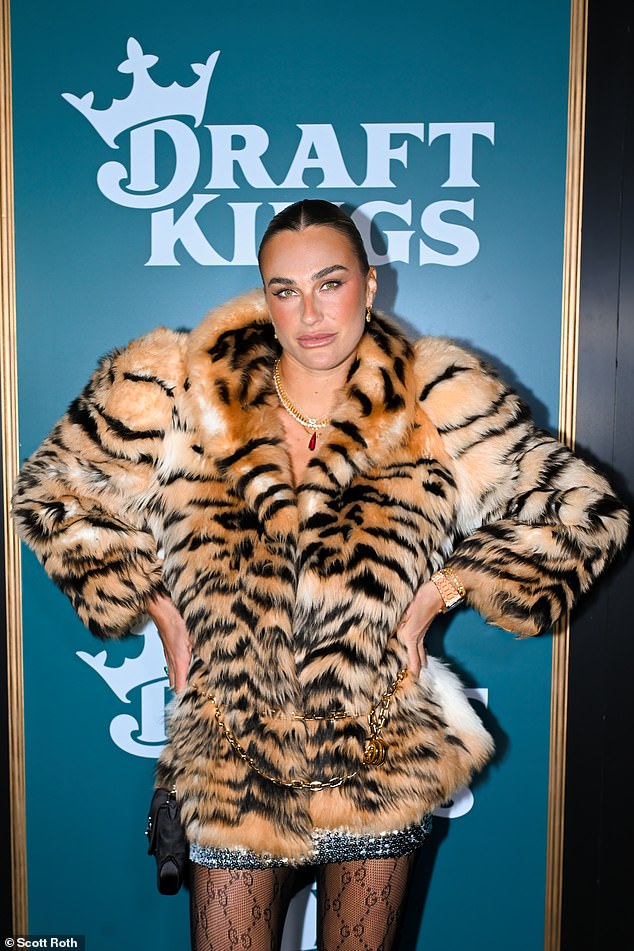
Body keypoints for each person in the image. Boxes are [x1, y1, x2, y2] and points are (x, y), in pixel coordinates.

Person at [13, 199, 628, 951]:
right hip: (232, 761)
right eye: (286, 289)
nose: (309, 313)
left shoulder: (436, 396)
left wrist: (437, 596)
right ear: (265, 296)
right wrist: (162, 611)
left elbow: (583, 515)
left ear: (369, 286)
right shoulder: (178, 388)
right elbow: (54, 498)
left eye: (330, 283)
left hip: (378, 757)